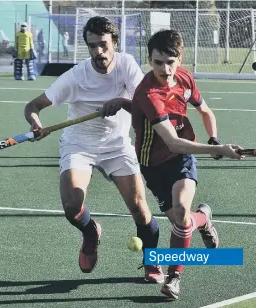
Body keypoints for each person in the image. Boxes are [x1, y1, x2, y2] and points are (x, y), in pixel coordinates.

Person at [23, 16, 163, 282]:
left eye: (103, 45)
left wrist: (122, 101)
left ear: (115, 43)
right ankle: (90, 232)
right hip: (79, 143)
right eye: (92, 46)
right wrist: (35, 123)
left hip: (117, 144)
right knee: (71, 203)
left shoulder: (127, 66)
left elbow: (145, 109)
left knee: (140, 209)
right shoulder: (76, 76)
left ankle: (152, 261)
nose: (98, 52)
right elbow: (32, 106)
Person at [131, 30, 243, 300]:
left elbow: (205, 111)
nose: (165, 69)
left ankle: (173, 277)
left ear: (180, 58)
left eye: (170, 61)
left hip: (182, 158)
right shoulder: (148, 92)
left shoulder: (185, 78)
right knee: (183, 221)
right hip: (153, 163)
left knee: (181, 213)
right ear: (149, 60)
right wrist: (219, 149)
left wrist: (213, 136)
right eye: (158, 62)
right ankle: (203, 218)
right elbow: (172, 142)